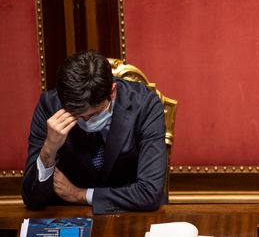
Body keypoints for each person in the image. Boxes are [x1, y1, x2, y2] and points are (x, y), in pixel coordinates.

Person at [22, 50, 167, 214]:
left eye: (93, 114)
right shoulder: (50, 105)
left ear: (112, 92)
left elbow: (149, 193)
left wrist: (80, 195)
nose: (85, 122)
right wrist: (49, 148)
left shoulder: (145, 105)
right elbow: (32, 199)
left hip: (132, 213)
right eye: (76, 116)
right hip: (69, 216)